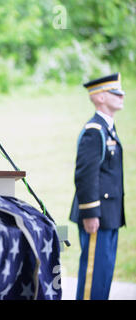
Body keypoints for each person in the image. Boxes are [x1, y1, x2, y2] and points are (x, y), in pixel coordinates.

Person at [69, 72, 126, 300]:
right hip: (97, 216)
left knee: (103, 274)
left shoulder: (107, 128)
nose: (122, 95)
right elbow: (85, 175)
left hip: (109, 214)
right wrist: (91, 212)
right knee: (93, 276)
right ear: (100, 97)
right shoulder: (95, 131)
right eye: (115, 92)